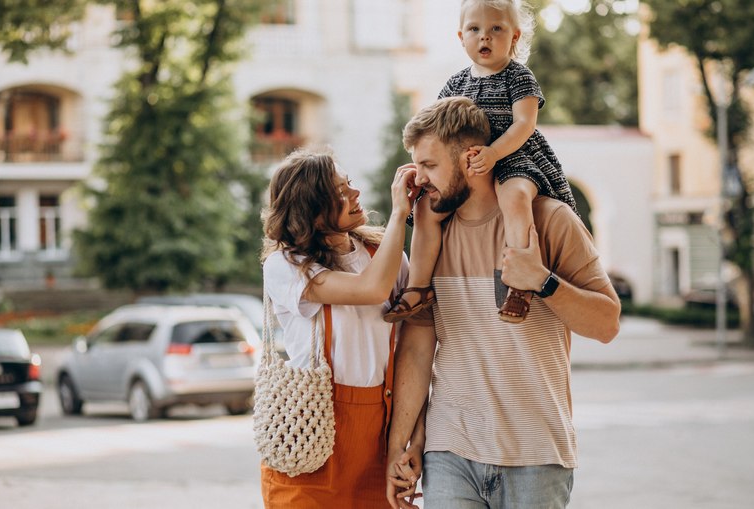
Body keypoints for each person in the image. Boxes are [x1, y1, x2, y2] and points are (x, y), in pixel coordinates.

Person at [385, 96, 621, 509]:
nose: (418, 179)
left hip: (536, 456)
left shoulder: (550, 220)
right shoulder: (430, 236)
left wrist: (543, 282)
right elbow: (417, 350)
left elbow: (607, 324)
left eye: (429, 165)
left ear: (471, 159)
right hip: (450, 450)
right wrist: (398, 446)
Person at [384, 0, 577, 325]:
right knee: (426, 210)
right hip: (466, 166)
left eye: (496, 29)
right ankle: (418, 285)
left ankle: (518, 282)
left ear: (514, 36)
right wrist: (426, 168)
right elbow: (435, 131)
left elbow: (524, 124)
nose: (484, 36)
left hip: (513, 157)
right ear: (461, 37)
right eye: (474, 29)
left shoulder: (518, 76)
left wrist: (494, 153)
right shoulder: (455, 83)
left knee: (514, 197)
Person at [260, 148, 418, 508]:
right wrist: (399, 213)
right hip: (309, 437)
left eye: (350, 184)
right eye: (340, 192)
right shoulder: (286, 265)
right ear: (313, 212)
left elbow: (414, 344)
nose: (355, 194)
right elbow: (370, 290)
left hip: (378, 437)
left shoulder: (383, 255)